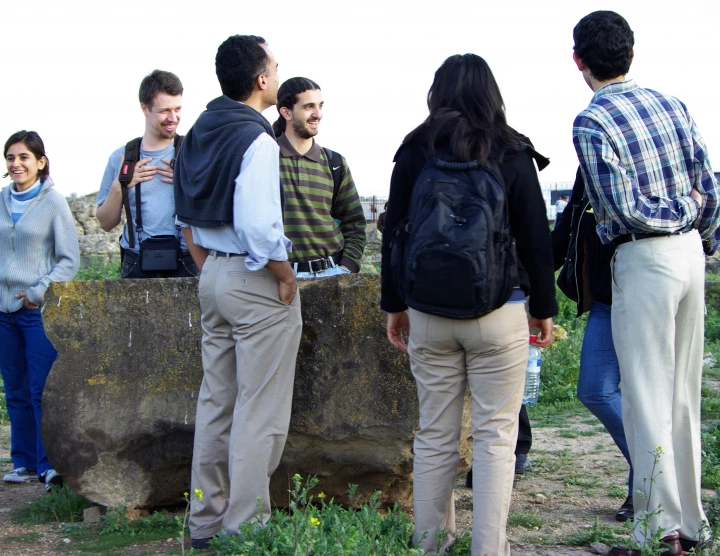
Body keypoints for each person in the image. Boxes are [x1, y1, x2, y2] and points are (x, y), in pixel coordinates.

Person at [382, 54, 557, 556]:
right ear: (491, 93)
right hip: (499, 312)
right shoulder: (512, 151)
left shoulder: (414, 150)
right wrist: (542, 308)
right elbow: (535, 241)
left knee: (434, 435)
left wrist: (395, 305)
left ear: (437, 93)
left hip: (429, 315)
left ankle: (431, 546)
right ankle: (489, 549)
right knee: (496, 437)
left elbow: (396, 233)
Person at [571, 11, 719, 554]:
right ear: (631, 53)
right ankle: (691, 524)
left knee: (645, 397)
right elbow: (710, 186)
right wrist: (696, 219)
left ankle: (660, 532)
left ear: (579, 61)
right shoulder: (673, 104)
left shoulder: (591, 121)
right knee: (682, 395)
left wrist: (676, 212)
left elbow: (622, 209)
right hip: (691, 253)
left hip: (645, 257)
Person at [173, 35, 302, 549]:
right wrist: (285, 274)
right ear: (261, 79)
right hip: (255, 279)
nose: (277, 70)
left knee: (217, 402)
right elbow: (257, 225)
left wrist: (210, 266)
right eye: (274, 64)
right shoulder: (258, 139)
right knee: (259, 409)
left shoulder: (200, 130)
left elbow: (183, 215)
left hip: (213, 277)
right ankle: (244, 528)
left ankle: (204, 522)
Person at [552, 168, 633, 522]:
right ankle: (654, 469)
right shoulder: (590, 167)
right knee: (595, 390)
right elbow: (568, 226)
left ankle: (644, 488)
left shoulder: (643, 165)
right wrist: (530, 280)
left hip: (647, 293)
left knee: (647, 394)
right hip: (605, 300)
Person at [0, 131, 80, 491]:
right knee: (14, 389)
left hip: (36, 310)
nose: (16, 164)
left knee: (40, 389)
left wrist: (37, 292)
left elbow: (69, 260)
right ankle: (24, 464)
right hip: (2, 311)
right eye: (11, 157)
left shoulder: (54, 203)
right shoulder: (1, 200)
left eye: (24, 157)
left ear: (40, 162)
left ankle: (50, 465)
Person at [96, 70, 197, 278]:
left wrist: (188, 184)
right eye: (164, 110)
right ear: (145, 109)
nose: (173, 117)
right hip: (136, 260)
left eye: (178, 109)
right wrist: (120, 186)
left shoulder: (195, 152)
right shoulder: (122, 157)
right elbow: (106, 224)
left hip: (189, 257)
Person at [272, 77, 366, 277]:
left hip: (333, 272)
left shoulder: (335, 162)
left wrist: (347, 266)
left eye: (320, 105)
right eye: (308, 107)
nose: (318, 114)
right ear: (286, 112)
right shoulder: (263, 158)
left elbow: (354, 222)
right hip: (279, 277)